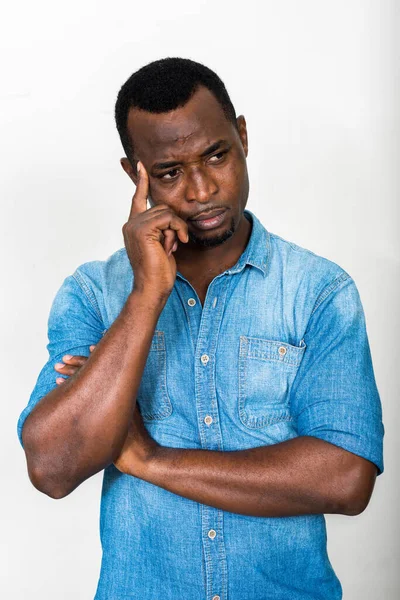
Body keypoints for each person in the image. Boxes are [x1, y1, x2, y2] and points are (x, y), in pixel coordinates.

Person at [17, 57, 384, 600]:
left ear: (242, 135)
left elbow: (345, 479)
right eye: (168, 173)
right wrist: (146, 297)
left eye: (217, 155)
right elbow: (52, 467)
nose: (201, 190)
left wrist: (149, 458)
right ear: (133, 173)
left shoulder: (319, 291)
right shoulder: (94, 293)